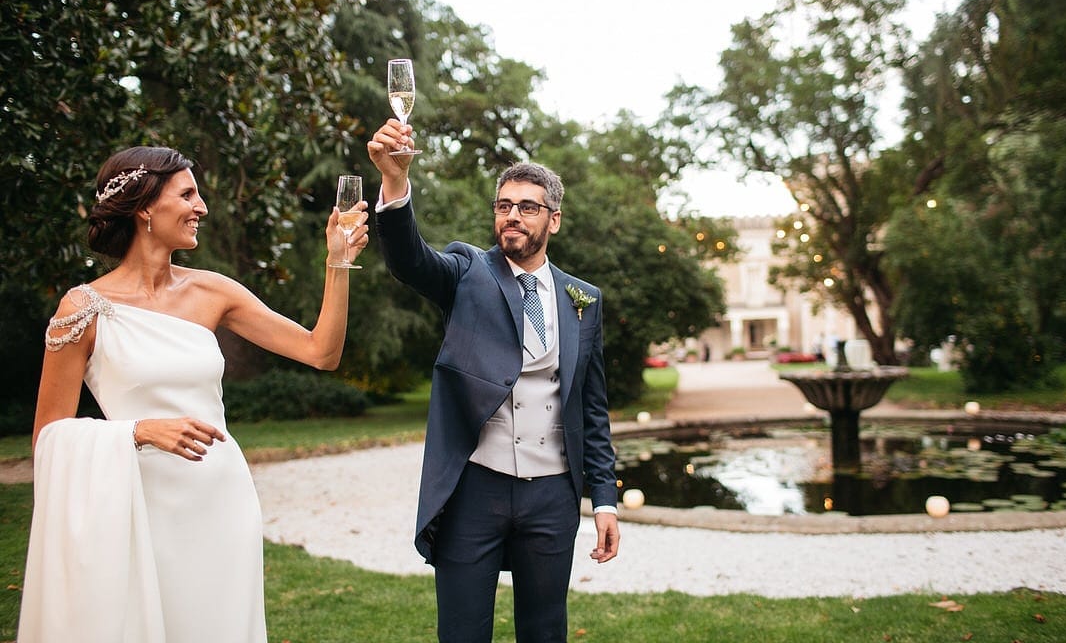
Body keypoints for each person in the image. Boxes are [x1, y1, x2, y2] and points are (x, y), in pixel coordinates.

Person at [18, 146, 368, 643]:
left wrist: (337, 263)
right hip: (138, 507)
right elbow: (47, 438)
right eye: (187, 194)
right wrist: (137, 431)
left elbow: (321, 352)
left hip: (219, 501)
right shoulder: (83, 309)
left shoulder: (214, 292)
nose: (202, 207)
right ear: (144, 209)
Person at [367, 119, 620, 643]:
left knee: (545, 630)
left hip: (552, 493)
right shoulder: (467, 272)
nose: (512, 216)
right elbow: (411, 261)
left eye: (527, 207)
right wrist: (395, 184)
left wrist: (605, 500)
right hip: (474, 489)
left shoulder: (583, 300)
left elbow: (591, 409)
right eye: (504, 205)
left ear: (554, 220)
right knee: (461, 632)